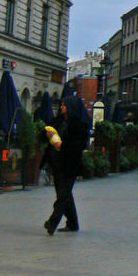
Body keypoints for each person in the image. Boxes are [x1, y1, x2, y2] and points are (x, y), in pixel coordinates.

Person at [43, 96, 89, 235]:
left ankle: (52, 223)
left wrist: (63, 145)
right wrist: (48, 134)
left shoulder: (80, 124)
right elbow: (44, 132)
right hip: (56, 163)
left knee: (63, 196)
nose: (62, 107)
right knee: (65, 194)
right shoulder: (58, 121)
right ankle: (73, 223)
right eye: (62, 105)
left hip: (70, 165)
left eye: (64, 105)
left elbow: (81, 145)